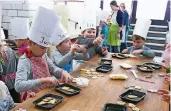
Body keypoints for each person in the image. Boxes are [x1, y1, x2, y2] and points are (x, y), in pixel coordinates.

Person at [15, 6, 73, 102]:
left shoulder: (43, 55)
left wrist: (63, 72)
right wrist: (43, 80)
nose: (45, 51)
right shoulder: (25, 61)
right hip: (33, 98)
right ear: (30, 43)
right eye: (42, 47)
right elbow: (18, 86)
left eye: (47, 47)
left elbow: (52, 68)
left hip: (46, 93)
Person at [0, 30, 20, 103]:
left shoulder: (1, 54)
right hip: (14, 82)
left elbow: (1, 71)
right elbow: (17, 64)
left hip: (5, 84)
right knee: (16, 102)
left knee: (6, 102)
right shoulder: (10, 50)